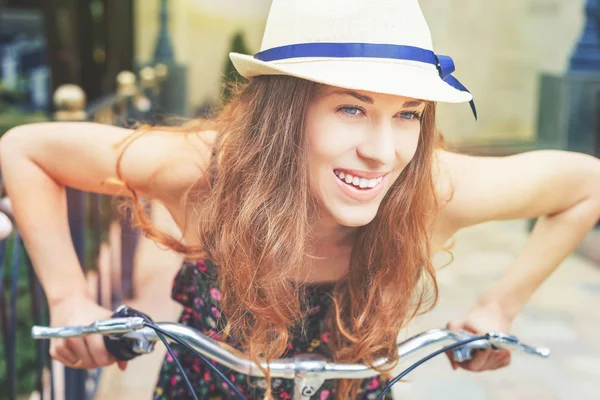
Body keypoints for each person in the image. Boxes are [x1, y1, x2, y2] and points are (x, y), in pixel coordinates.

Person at [2, 0, 600, 398]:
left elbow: (586, 185)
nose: (384, 152)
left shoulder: (431, 187)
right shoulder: (209, 172)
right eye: (351, 108)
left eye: (408, 115)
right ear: (286, 115)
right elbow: (27, 148)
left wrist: (500, 306)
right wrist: (68, 295)